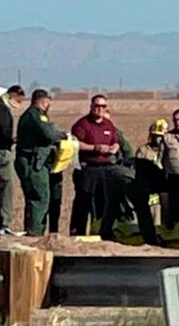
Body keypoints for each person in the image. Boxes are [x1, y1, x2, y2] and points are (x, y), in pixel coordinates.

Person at [14, 89, 68, 236]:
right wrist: (63, 135)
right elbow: (49, 134)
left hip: (30, 161)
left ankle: (31, 230)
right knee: (40, 197)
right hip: (32, 163)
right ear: (44, 101)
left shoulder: (30, 115)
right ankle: (35, 232)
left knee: (33, 198)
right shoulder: (35, 115)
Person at [69, 94, 121, 240]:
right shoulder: (82, 124)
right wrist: (95, 148)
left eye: (103, 106)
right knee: (83, 202)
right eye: (97, 106)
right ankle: (77, 233)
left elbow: (116, 141)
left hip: (105, 169)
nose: (100, 109)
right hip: (87, 169)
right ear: (91, 107)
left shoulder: (108, 124)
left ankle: (99, 233)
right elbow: (76, 144)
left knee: (103, 203)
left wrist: (114, 148)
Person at [0, 85, 26, 235]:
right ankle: (3, 223)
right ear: (13, 95)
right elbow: (2, 130)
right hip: (0, 151)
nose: (19, 104)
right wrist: (11, 140)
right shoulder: (0, 108)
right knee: (7, 187)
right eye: (19, 100)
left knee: (1, 186)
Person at [129, 119, 169, 245]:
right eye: (156, 136)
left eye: (161, 136)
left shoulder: (170, 150)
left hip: (165, 186)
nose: (158, 139)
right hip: (148, 187)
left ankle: (166, 232)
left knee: (166, 209)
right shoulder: (143, 151)